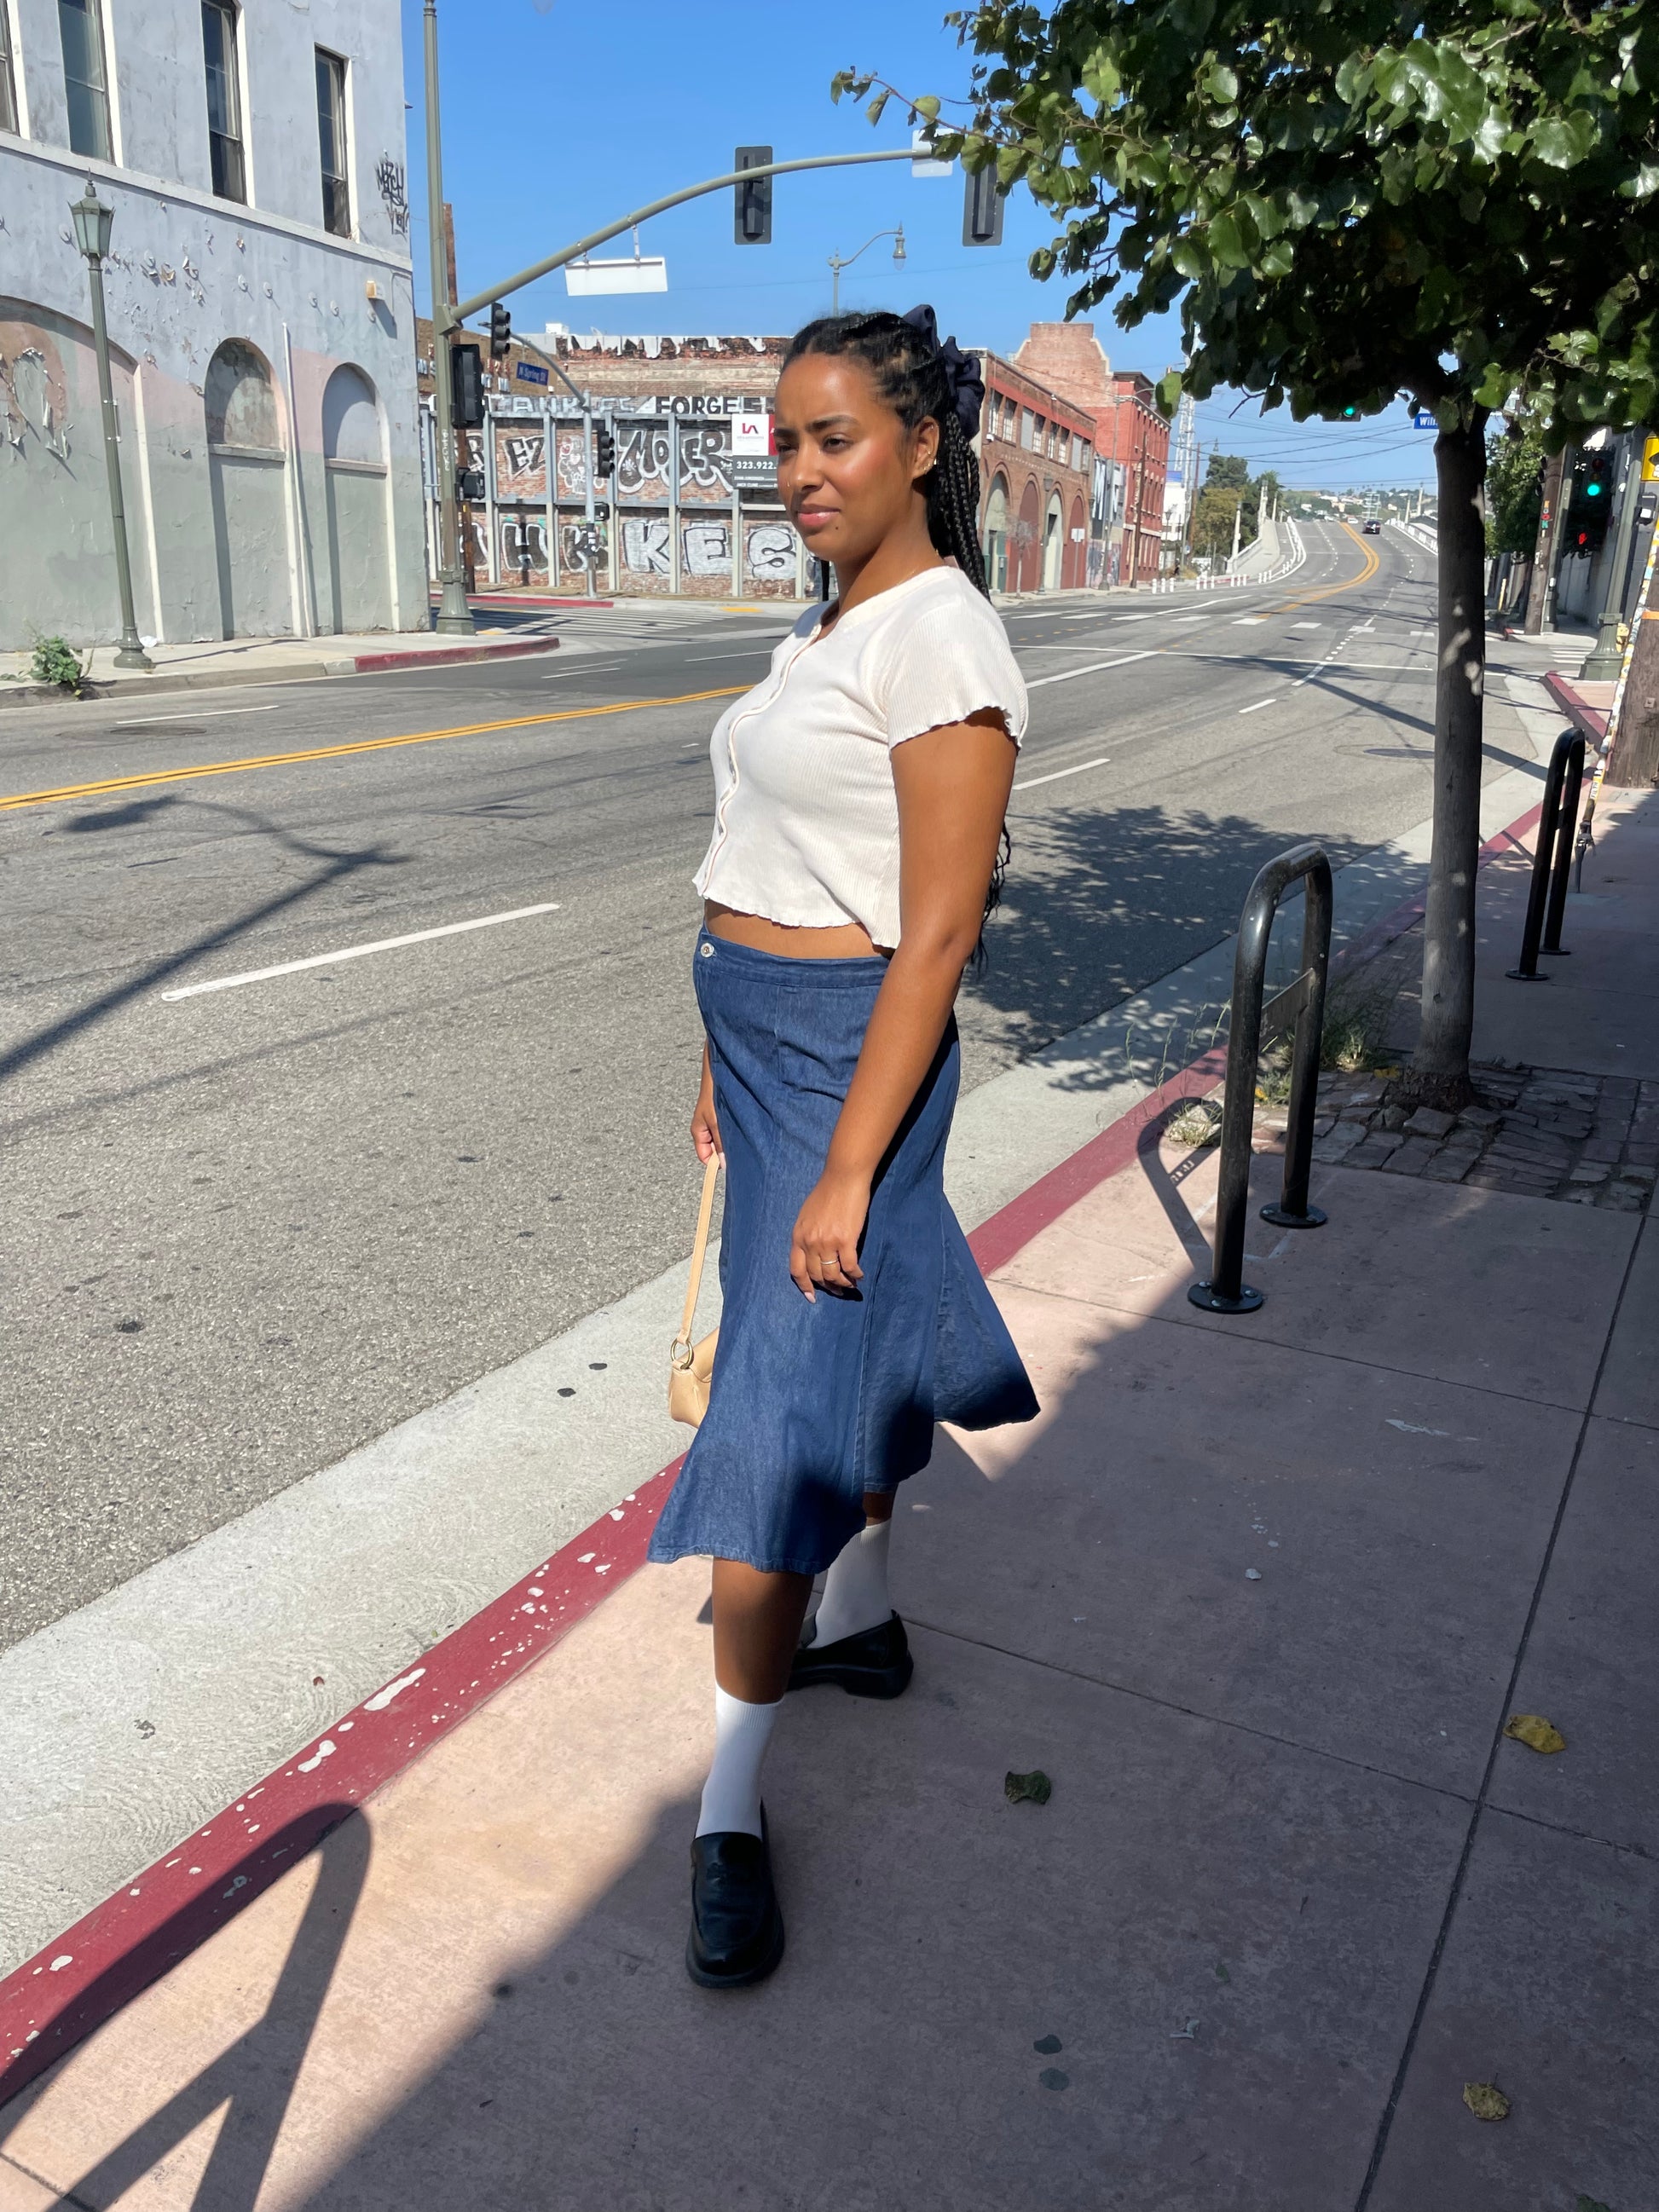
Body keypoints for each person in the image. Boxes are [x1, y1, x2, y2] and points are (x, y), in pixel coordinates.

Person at [648, 306, 1040, 1989]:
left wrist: (837, 1158)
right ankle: (861, 1619)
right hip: (771, 1046)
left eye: (834, 438)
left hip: (847, 1061)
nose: (798, 470)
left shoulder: (936, 640)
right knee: (851, 1364)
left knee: (772, 1441)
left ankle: (725, 1810)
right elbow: (771, 843)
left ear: (922, 445)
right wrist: (721, 1062)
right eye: (784, 440)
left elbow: (936, 934)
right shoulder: (833, 619)